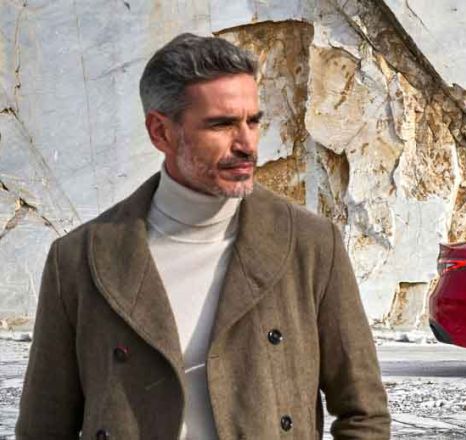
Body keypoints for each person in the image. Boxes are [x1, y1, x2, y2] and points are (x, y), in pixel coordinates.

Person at [16, 33, 390, 439]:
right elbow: (43, 426)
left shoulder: (311, 245)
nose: (247, 144)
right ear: (161, 132)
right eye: (222, 124)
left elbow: (364, 413)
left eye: (253, 121)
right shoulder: (79, 259)